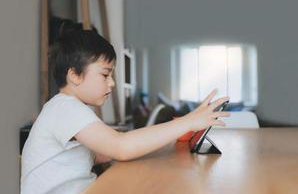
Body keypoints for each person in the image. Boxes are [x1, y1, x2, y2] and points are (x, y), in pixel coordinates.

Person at [20, 26, 230, 194]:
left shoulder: (69, 108)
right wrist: (187, 122)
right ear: (74, 75)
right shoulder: (65, 107)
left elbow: (102, 152)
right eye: (105, 75)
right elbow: (120, 147)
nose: (112, 83)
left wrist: (163, 138)